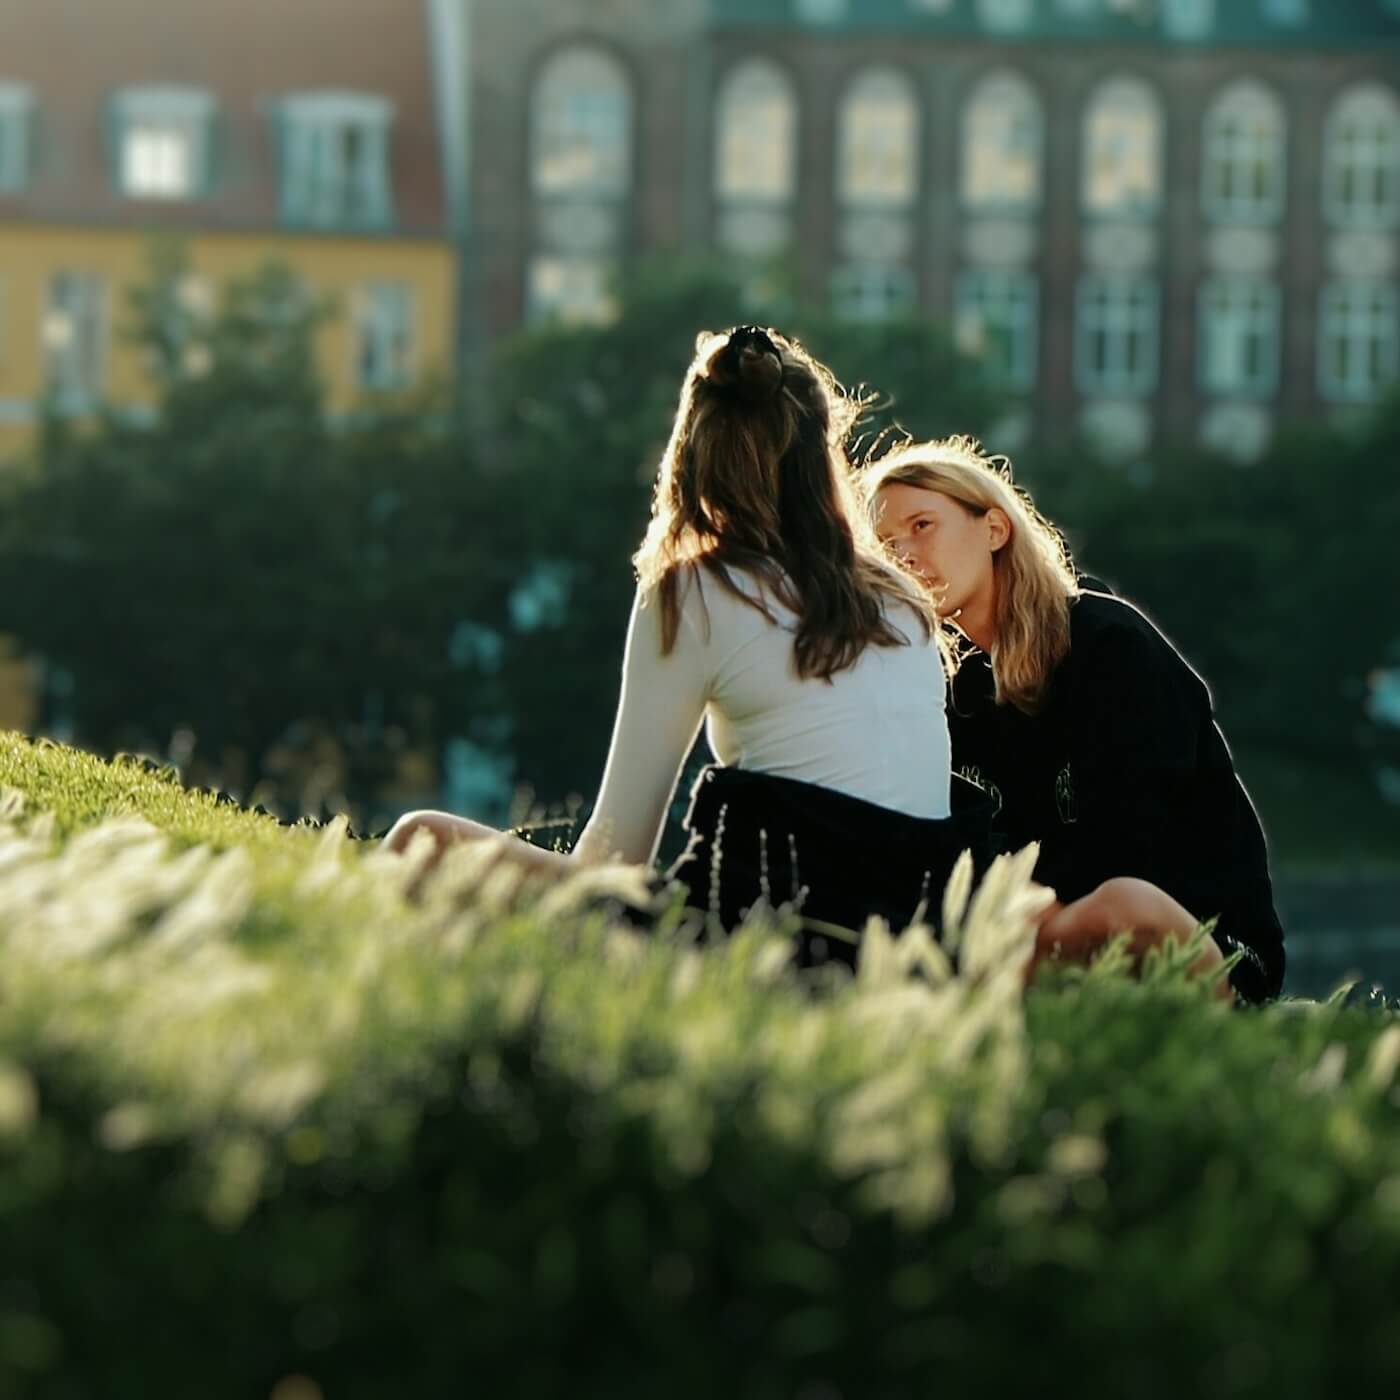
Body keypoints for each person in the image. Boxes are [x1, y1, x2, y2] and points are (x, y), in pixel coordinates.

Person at [385, 330, 1230, 997]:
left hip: (760, 941)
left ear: (692, 451)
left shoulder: (691, 592)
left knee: (423, 840)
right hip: (909, 946)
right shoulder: (900, 600)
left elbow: (613, 861)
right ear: (823, 453)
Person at [864, 435, 1285, 1004]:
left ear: (994, 528)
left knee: (1121, 904)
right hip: (1042, 937)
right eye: (887, 545)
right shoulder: (947, 689)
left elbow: (1136, 839)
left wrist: (1027, 916)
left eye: (922, 525)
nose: (905, 556)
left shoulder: (1106, 642)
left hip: (1200, 935)